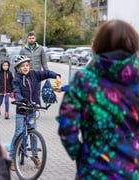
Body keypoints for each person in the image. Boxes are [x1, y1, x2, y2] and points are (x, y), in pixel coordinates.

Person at [56, 19, 139, 179]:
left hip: (93, 170)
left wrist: (82, 156)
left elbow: (67, 127)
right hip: (132, 170)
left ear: (98, 44)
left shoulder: (84, 79)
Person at [9, 55, 60, 170]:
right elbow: (16, 91)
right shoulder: (16, 79)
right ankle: (12, 158)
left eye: (27, 65)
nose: (25, 67)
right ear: (17, 68)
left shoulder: (34, 74)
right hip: (22, 110)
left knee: (33, 134)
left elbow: (45, 73)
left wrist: (55, 75)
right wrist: (20, 99)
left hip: (32, 109)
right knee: (18, 133)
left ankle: (35, 156)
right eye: (22, 66)